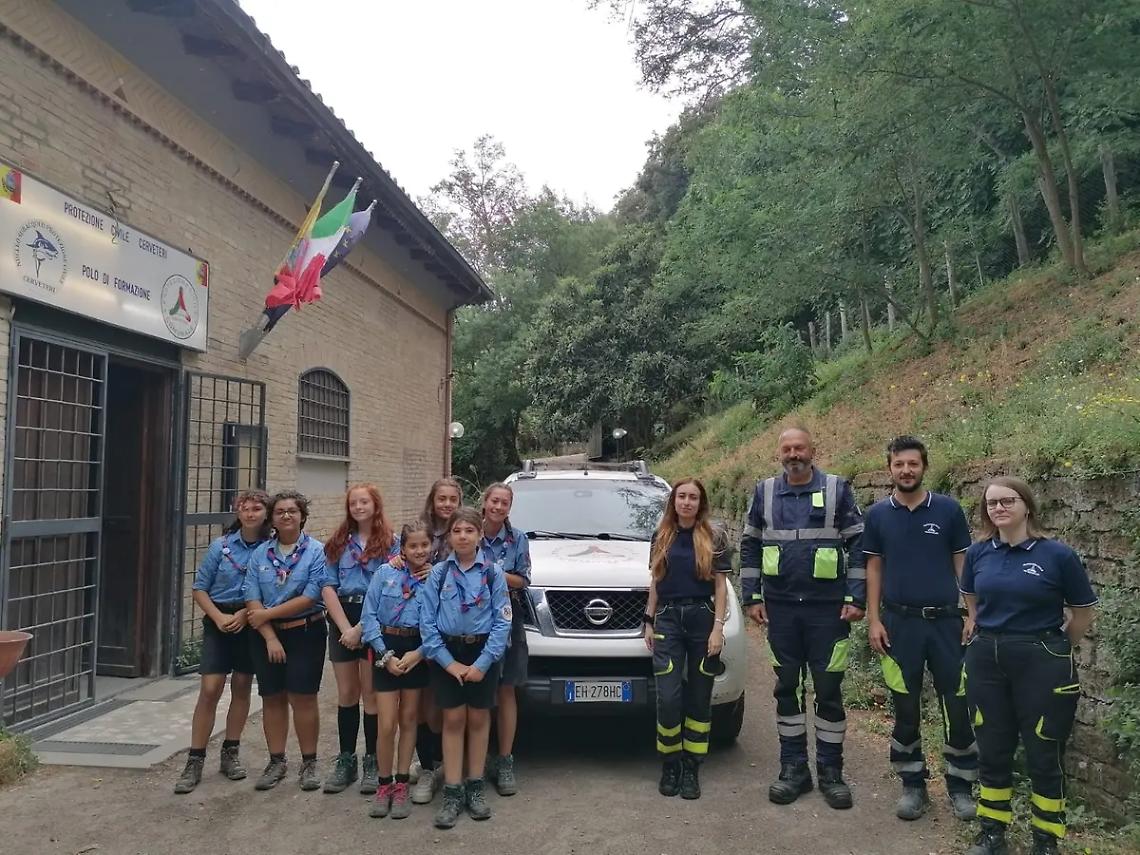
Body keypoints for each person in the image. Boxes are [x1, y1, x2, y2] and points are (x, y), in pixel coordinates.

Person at [961, 477, 1097, 855]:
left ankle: (1045, 839)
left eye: (1007, 501)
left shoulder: (1057, 555)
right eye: (991, 504)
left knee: (1044, 751)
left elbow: (1083, 611)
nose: (999, 508)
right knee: (992, 747)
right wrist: (983, 629)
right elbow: (971, 598)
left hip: (1042, 659)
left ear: (1027, 505)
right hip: (987, 657)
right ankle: (992, 832)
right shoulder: (977, 554)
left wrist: (1056, 649)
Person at [740, 425, 866, 809]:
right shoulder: (763, 492)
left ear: (813, 449)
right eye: (787, 449)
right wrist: (752, 597)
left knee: (828, 690)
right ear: (779, 453)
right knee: (787, 689)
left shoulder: (836, 489)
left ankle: (831, 772)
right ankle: (794, 769)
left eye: (800, 448)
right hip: (780, 610)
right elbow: (749, 545)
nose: (794, 454)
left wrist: (855, 596)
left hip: (828, 611)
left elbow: (860, 544)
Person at [864, 436, 977, 821]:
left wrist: (972, 612)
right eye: (899, 465)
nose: (906, 470)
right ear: (889, 468)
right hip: (898, 625)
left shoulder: (947, 510)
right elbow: (873, 567)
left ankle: (961, 786)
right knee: (905, 707)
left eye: (913, 464)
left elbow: (963, 563)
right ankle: (913, 784)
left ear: (924, 466)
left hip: (947, 623)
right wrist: (874, 618)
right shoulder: (878, 515)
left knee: (957, 706)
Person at [419, 507, 511, 829]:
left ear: (479, 535)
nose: (462, 536)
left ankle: (475, 786)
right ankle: (453, 790)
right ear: (450, 535)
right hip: (448, 652)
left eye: (469, 531)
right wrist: (449, 662)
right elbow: (427, 623)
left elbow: (503, 621)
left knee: (478, 717)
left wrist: (484, 663)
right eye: (457, 530)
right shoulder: (439, 573)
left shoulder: (492, 573)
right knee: (453, 718)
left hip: (483, 650)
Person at [174, 489, 271, 794]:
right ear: (237, 510)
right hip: (219, 621)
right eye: (245, 507)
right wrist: (217, 617)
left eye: (257, 508)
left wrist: (246, 613)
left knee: (242, 686)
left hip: (250, 620)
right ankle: (195, 758)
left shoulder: (270, 549)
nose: (251, 513)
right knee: (210, 688)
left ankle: (231, 752)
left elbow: (271, 591)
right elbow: (200, 587)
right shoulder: (222, 546)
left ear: (265, 513)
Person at [643, 478, 731, 800]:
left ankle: (692, 767)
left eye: (693, 497)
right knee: (668, 697)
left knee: (698, 696)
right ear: (674, 501)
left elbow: (720, 586)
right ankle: (671, 764)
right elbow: (655, 580)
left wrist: (717, 628)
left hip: (702, 620)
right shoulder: (661, 536)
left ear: (700, 502)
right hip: (668, 620)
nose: (687, 502)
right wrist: (648, 620)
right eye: (681, 496)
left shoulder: (714, 536)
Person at [243, 489, 328, 791]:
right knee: (272, 697)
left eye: (292, 510)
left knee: (303, 697)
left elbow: (312, 595)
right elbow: (251, 597)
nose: (287, 515)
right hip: (266, 637)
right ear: (272, 519)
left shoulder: (317, 552)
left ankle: (309, 763)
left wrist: (268, 614)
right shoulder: (259, 554)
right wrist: (268, 635)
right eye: (280, 512)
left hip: (306, 632)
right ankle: (276, 761)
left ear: (303, 516)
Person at [320, 484, 395, 795]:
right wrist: (344, 628)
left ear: (375, 506)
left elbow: (390, 587)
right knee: (347, 693)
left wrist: (362, 628)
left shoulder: (391, 543)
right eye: (353, 502)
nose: (359, 507)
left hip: (373, 622)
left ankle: (372, 761)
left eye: (364, 502)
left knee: (372, 694)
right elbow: (327, 586)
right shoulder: (338, 543)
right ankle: (346, 759)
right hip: (342, 619)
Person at [362, 520, 433, 819]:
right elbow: (368, 618)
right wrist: (384, 654)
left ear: (432, 547)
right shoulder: (384, 573)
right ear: (402, 548)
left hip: (417, 650)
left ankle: (402, 782)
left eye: (424, 545)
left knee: (409, 720)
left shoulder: (436, 579)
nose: (419, 550)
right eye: (412, 545)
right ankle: (384, 783)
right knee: (386, 723)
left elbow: (439, 624)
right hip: (386, 650)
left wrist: (418, 654)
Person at [409, 476, 463, 805]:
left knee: (443, 704)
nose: (446, 504)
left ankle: (444, 762)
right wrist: (405, 560)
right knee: (421, 703)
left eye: (452, 499)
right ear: (432, 501)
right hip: (418, 625)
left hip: (450, 627)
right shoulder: (420, 532)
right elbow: (401, 559)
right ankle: (427, 764)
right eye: (440, 498)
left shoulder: (464, 532)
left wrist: (440, 570)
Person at [480, 482, 532, 797]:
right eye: (495, 501)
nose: (499, 507)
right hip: (471, 615)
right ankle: (480, 757)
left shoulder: (518, 539)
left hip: (507, 615)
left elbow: (523, 579)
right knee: (480, 688)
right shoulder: (469, 530)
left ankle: (505, 759)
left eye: (505, 503)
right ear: (485, 503)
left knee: (506, 688)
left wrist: (489, 571)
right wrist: (497, 572)